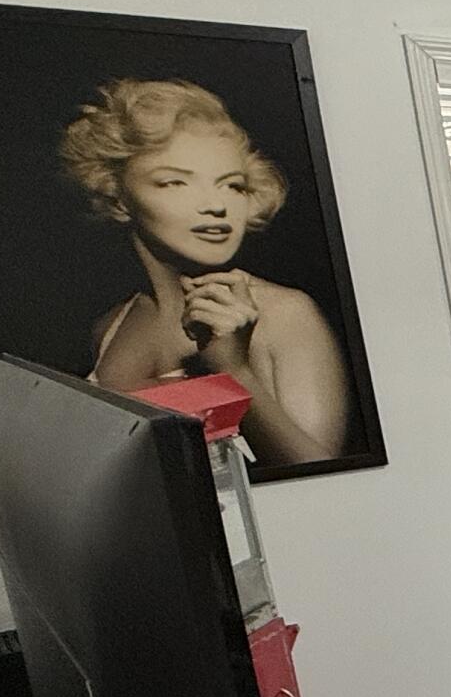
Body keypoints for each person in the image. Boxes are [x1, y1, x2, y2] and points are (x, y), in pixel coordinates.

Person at [62, 78, 351, 465]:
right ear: (117, 196)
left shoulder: (286, 314)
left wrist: (234, 372)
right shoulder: (112, 325)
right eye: (175, 182)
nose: (215, 205)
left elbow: (324, 479)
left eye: (232, 185)